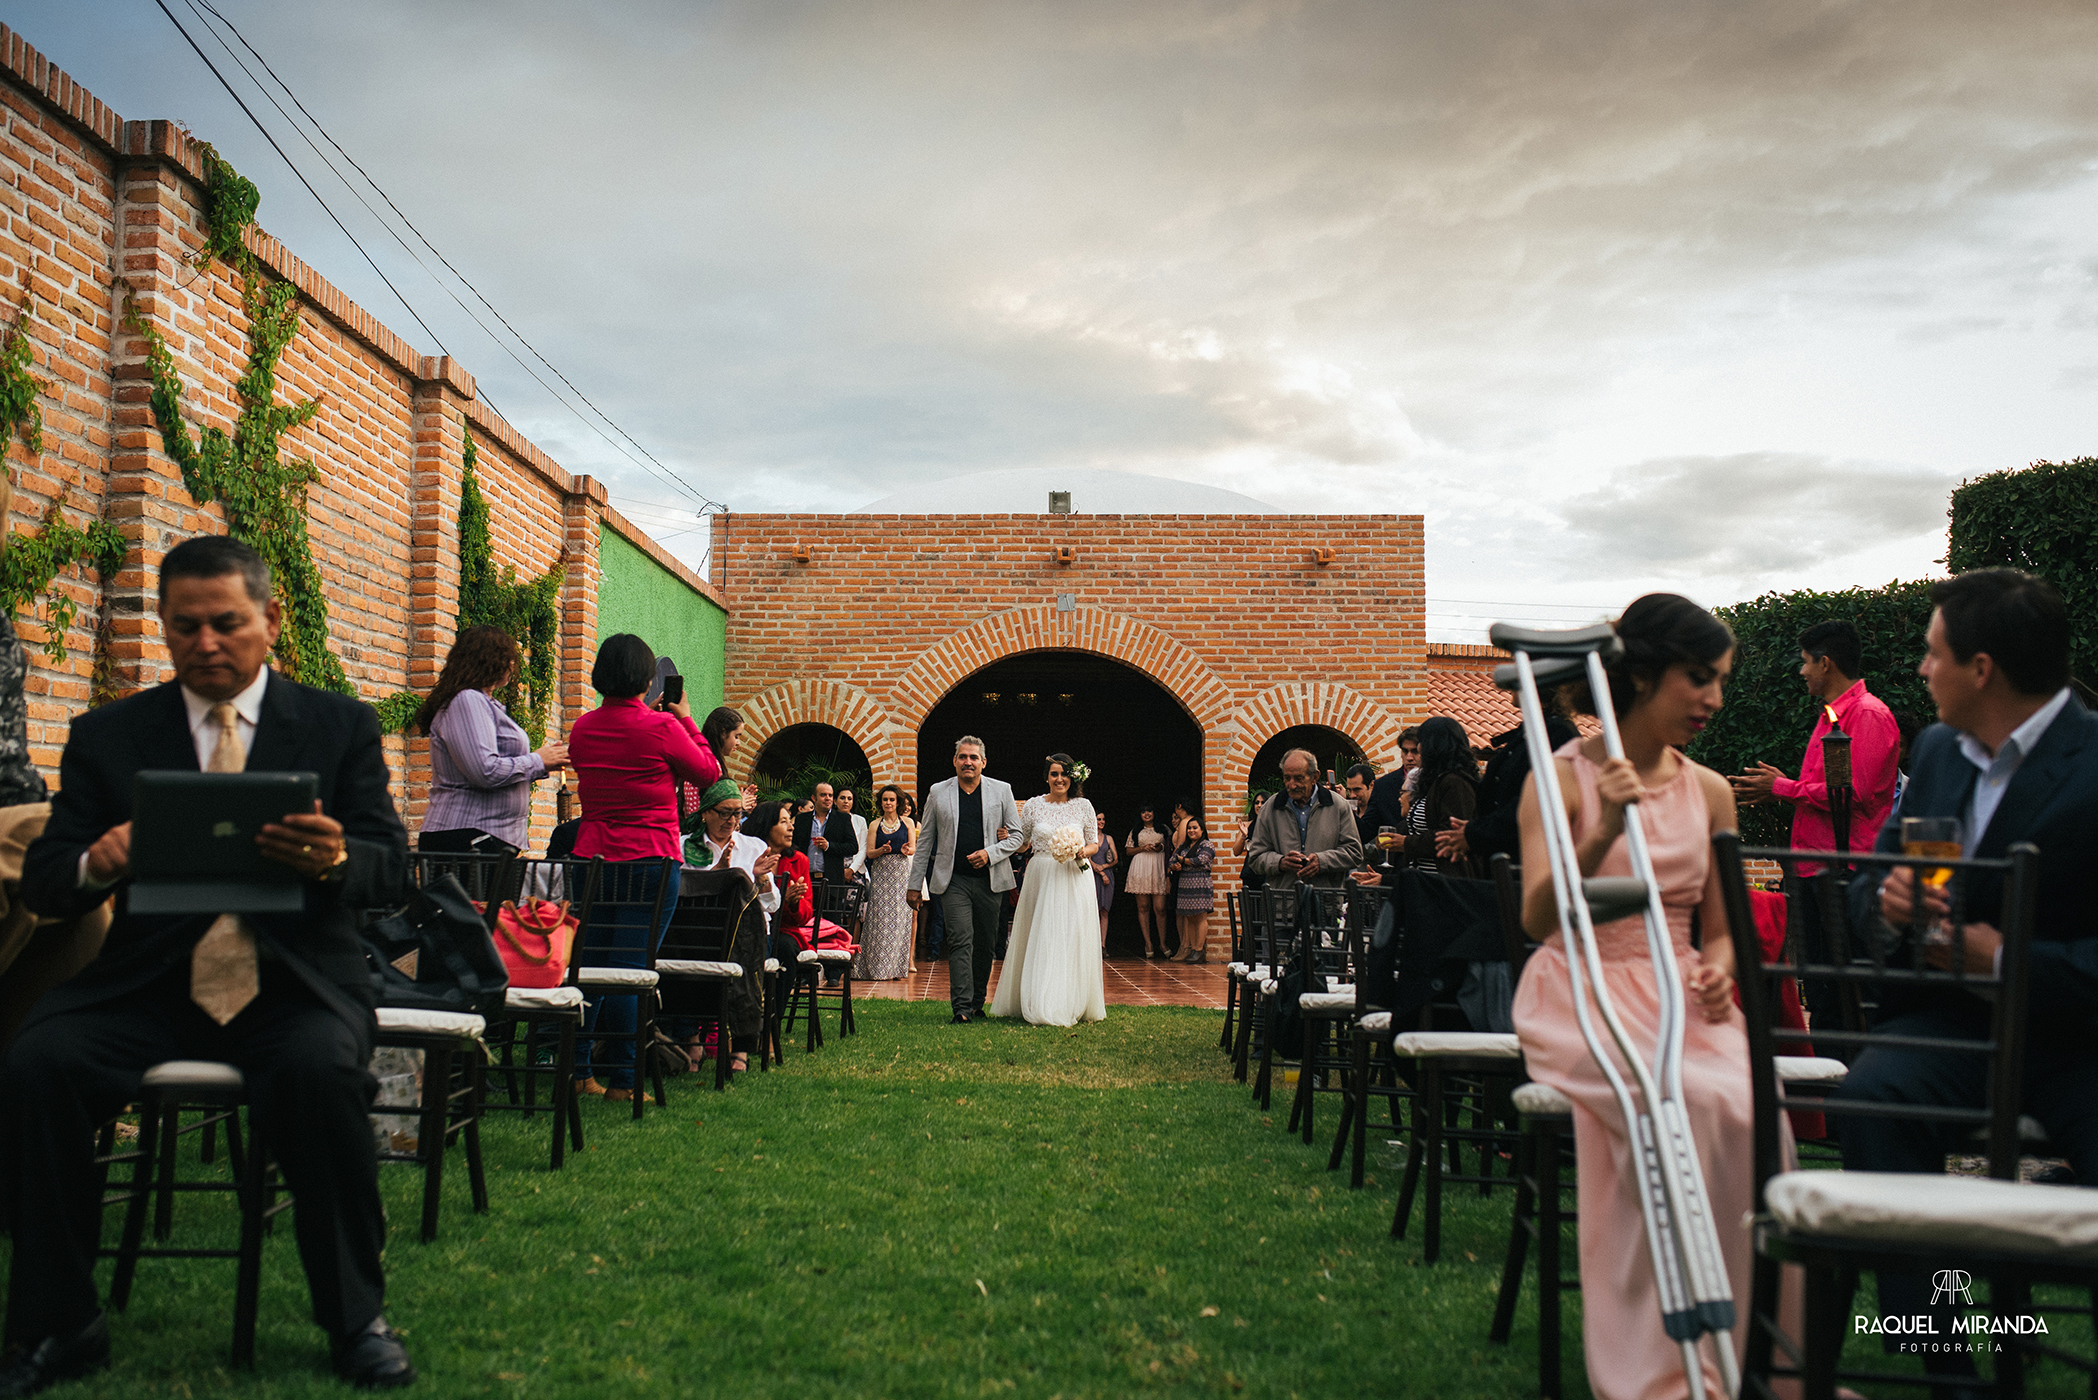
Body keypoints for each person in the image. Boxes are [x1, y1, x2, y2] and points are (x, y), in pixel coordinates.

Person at [3, 535, 416, 1392]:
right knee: (37, 1063)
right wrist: (98, 862)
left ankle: (355, 1320)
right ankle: (59, 1320)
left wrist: (337, 859)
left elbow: (390, 865)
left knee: (321, 1074)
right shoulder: (111, 736)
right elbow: (48, 878)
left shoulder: (339, 727)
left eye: (226, 623)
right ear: (163, 626)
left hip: (295, 981)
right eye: (184, 626)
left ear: (269, 619)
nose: (206, 644)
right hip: (147, 981)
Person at [1839, 569, 2098, 1390]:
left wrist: (2002, 957)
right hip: (1950, 1024)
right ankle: (1948, 1360)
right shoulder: (1937, 750)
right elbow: (1864, 889)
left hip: (2078, 1034)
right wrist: (1888, 902)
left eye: (1931, 652)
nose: (1920, 669)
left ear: (1981, 668)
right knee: (1870, 1099)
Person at [1511, 593, 1763, 1400]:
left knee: (1745, 1104)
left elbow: (1720, 926)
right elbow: (1539, 917)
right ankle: (1659, 1357)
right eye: (1700, 678)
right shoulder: (1560, 777)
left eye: (1720, 681)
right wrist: (1602, 827)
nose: (1714, 700)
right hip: (1581, 986)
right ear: (1643, 676)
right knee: (1678, 1099)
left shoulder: (1713, 790)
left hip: (1684, 992)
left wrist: (1719, 965)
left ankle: (1747, 1342)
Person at [566, 633, 721, 1102]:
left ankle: (578, 1071)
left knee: (588, 963)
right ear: (647, 678)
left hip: (590, 856)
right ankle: (624, 1079)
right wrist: (687, 718)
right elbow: (710, 773)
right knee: (630, 967)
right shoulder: (661, 728)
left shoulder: (583, 728)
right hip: (648, 857)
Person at [1729, 618, 1901, 1026]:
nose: (1801, 670)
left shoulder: (1868, 715)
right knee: (1822, 989)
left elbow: (1853, 794)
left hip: (1845, 873)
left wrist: (1783, 788)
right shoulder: (1833, 715)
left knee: (1846, 993)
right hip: (1816, 870)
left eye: (1806, 662)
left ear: (1826, 664)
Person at [415, 624, 568, 855]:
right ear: (491, 661)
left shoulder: (483, 703)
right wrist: (536, 760)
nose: (512, 666)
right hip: (467, 838)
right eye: (508, 658)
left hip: (484, 837)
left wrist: (545, 761)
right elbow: (484, 770)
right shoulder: (468, 700)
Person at [906, 737, 1024, 1024]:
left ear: (983, 762)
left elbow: (1018, 836)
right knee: (960, 940)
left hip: (990, 881)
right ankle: (960, 1008)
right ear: (955, 761)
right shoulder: (938, 792)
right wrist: (914, 884)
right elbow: (926, 842)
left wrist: (990, 853)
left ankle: (976, 1002)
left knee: (985, 944)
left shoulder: (1001, 791)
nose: (967, 762)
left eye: (973, 757)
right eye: (962, 757)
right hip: (953, 880)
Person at [987, 755, 1105, 1026]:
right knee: (1040, 936)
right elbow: (1024, 843)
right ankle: (1036, 998)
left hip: (1074, 876)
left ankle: (1071, 1000)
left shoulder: (1083, 806)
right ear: (1046, 777)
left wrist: (1079, 852)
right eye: (1054, 774)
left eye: (1064, 774)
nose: (1059, 779)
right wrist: (1008, 839)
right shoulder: (1033, 806)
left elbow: (1093, 844)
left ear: (1072, 777)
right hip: (1040, 874)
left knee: (1070, 937)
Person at [681, 778, 780, 1076]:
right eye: (725, 812)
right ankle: (692, 1039)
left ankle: (740, 1046)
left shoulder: (753, 846)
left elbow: (772, 904)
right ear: (706, 812)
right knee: (687, 952)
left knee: (746, 956)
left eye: (737, 813)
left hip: (747, 934)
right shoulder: (685, 845)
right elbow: (679, 894)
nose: (732, 821)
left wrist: (760, 879)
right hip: (699, 934)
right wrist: (717, 874)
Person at [1245, 749, 1363, 894]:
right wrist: (1280, 862)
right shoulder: (1270, 808)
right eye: (1287, 778)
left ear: (1315, 777)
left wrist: (1322, 861)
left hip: (1326, 905)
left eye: (1298, 778)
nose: (1291, 784)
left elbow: (1354, 852)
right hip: (1283, 904)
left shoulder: (1338, 806)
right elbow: (1255, 857)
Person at [1400, 716, 1481, 877]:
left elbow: (1451, 834)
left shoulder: (1455, 783)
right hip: (1425, 880)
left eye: (1420, 743)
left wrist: (1405, 843)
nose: (1419, 748)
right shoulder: (1434, 782)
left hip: (1446, 883)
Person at [854, 785, 914, 981]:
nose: (888, 803)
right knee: (879, 919)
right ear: (881, 802)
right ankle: (876, 968)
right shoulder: (874, 824)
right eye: (885, 800)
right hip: (881, 872)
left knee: (899, 919)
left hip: (901, 873)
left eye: (892, 800)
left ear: (898, 802)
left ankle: (895, 968)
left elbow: (913, 848)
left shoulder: (908, 823)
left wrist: (906, 850)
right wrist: (881, 850)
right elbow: (869, 853)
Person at [743, 801, 811, 964]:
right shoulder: (746, 855)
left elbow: (806, 915)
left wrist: (792, 903)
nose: (791, 827)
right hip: (749, 926)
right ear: (766, 826)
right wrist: (781, 897)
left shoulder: (798, 860)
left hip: (784, 930)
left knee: (785, 948)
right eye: (783, 822)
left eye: (790, 821)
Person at [792, 783, 859, 890]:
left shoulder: (842, 819)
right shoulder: (802, 819)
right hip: (805, 879)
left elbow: (853, 847)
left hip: (832, 880)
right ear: (814, 798)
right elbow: (794, 846)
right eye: (823, 795)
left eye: (830, 795)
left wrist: (828, 846)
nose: (828, 798)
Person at [1123, 806, 1170, 957]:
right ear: (1140, 814)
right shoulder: (1135, 831)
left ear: (1154, 813)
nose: (1147, 814)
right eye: (1143, 811)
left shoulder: (1163, 829)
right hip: (1140, 868)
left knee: (1160, 908)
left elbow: (1172, 846)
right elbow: (1128, 851)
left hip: (1158, 867)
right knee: (1143, 907)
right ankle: (1148, 943)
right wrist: (1142, 848)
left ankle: (1162, 943)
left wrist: (1160, 847)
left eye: (1149, 810)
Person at [1169, 815, 1216, 963]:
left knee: (1200, 916)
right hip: (1185, 884)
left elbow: (1201, 860)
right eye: (1189, 828)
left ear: (1202, 829)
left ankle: (1199, 950)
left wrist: (1182, 860)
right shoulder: (1183, 846)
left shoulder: (1207, 845)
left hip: (1200, 882)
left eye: (1195, 828)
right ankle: (1192, 949)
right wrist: (1174, 866)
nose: (1191, 830)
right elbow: (1171, 860)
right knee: (1189, 917)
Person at [1362, 728, 1419, 846]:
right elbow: (1367, 830)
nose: (1409, 757)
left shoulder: (1437, 783)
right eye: (1405, 751)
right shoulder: (1383, 785)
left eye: (1415, 751)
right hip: (1393, 860)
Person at [1089, 810, 1117, 951]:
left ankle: (1102, 945)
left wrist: (1103, 867)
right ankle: (1091, 945)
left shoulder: (1109, 838)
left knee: (1104, 911)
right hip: (1092, 875)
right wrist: (1097, 869)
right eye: (1098, 819)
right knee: (1092, 910)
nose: (1101, 822)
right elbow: (1086, 856)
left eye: (1103, 819)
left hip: (1107, 876)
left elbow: (1115, 859)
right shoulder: (1088, 838)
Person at [836, 787, 870, 882]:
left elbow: (863, 848)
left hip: (856, 868)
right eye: (842, 798)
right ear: (835, 801)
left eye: (849, 799)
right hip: (835, 868)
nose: (846, 801)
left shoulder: (860, 820)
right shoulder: (829, 820)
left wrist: (851, 869)